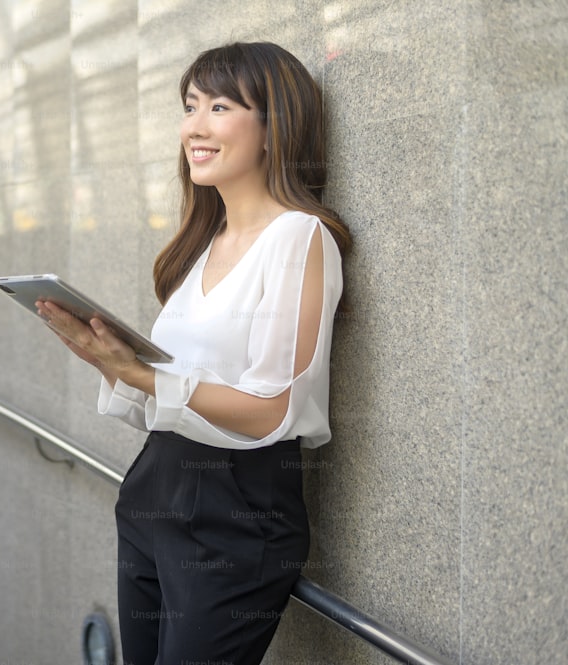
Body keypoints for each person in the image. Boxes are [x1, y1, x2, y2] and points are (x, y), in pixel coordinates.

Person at [37, 41, 351, 665]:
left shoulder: (299, 237)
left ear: (273, 128)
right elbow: (174, 398)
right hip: (156, 489)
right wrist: (110, 364)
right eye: (189, 106)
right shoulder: (203, 246)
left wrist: (141, 375)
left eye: (220, 106)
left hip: (235, 514)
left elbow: (273, 408)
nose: (194, 126)